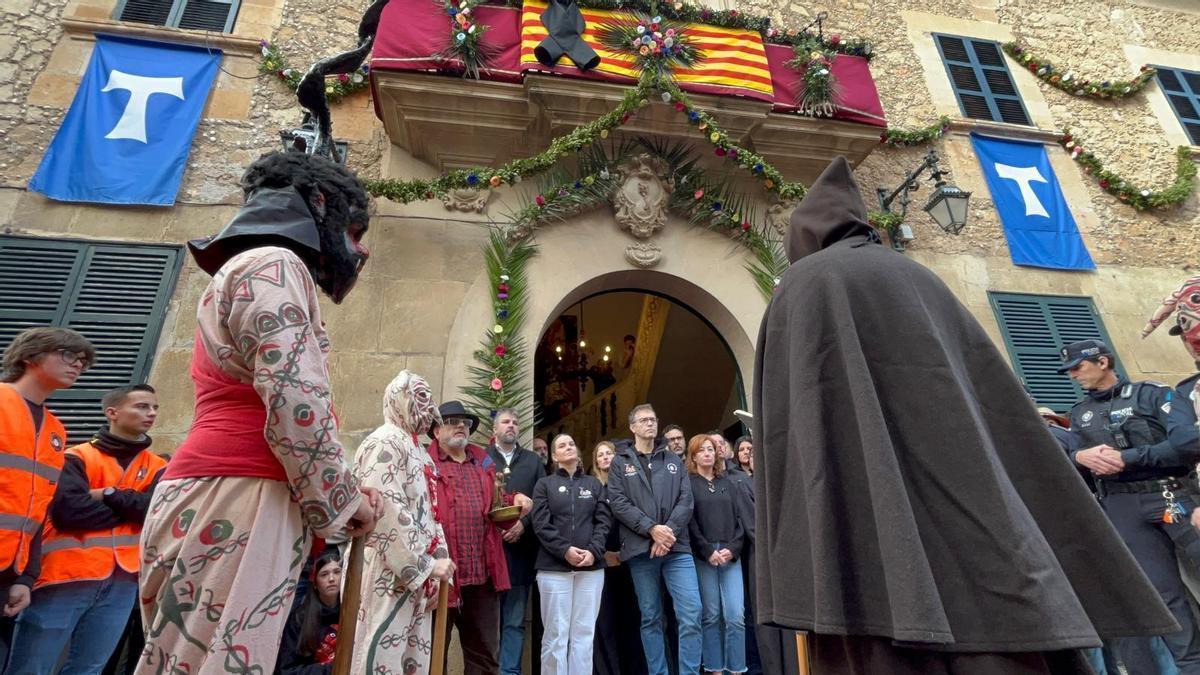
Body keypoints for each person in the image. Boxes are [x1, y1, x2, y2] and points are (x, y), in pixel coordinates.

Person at [752, 156, 1177, 673]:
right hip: (972, 510)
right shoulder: (918, 276)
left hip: (866, 523)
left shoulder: (802, 285)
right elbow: (992, 398)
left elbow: (790, 426)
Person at [134, 152, 383, 674]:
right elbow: (295, 395)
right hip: (237, 493)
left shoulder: (255, 264)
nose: (358, 250)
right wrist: (343, 499)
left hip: (231, 489)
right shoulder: (274, 263)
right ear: (320, 206)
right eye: (355, 231)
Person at [1060, 338, 1200, 673]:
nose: (1073, 376)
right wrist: (1080, 455)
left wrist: (1129, 458)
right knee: (1163, 595)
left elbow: (1188, 444)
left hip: (1173, 494)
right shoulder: (1079, 414)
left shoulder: (1153, 394)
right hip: (1123, 506)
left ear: (1103, 362)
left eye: (1078, 367)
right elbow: (1068, 457)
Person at [7, 384, 165, 674]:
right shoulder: (74, 457)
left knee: (89, 668)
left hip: (123, 582)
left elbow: (155, 512)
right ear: (112, 412)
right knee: (31, 667)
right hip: (65, 576)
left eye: (154, 407)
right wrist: (132, 506)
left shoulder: (158, 466)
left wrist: (108, 494)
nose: (151, 413)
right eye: (142, 406)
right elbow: (71, 513)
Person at [0, 327, 95, 663]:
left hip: (8, 572)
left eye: (83, 361)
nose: (78, 365)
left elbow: (38, 509)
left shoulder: (56, 429)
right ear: (30, 356)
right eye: (69, 355)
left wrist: (25, 577)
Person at [352, 370, 455, 674]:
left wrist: (437, 567)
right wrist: (422, 566)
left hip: (415, 577)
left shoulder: (420, 453)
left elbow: (432, 514)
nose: (431, 409)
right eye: (421, 398)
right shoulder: (384, 442)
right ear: (399, 399)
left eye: (431, 399)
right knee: (379, 656)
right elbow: (385, 510)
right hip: (386, 572)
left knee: (413, 661)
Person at [426, 400, 531, 675]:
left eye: (465, 422)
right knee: (432, 659)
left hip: (482, 578)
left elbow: (498, 509)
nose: (461, 426)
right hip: (442, 578)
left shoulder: (482, 463)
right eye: (452, 421)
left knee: (485, 658)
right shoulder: (425, 464)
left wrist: (515, 502)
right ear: (436, 431)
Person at [606, 403, 702, 675]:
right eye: (644, 420)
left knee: (691, 614)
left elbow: (686, 500)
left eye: (653, 419)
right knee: (651, 618)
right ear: (633, 426)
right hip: (640, 550)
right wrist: (651, 529)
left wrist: (666, 532)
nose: (650, 424)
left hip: (677, 548)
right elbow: (619, 504)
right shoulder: (619, 462)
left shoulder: (674, 460)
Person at [532, 434, 611, 674]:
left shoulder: (593, 484)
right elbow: (541, 524)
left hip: (591, 569)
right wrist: (564, 550)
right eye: (561, 445)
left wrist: (594, 551)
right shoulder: (544, 485)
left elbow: (603, 522)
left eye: (571, 443)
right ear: (554, 456)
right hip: (553, 569)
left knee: (584, 633)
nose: (568, 447)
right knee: (556, 635)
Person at [488, 408, 546, 675]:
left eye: (515, 422)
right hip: (489, 554)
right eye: (505, 422)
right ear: (494, 430)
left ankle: (509, 672)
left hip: (521, 555)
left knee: (514, 621)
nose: (511, 426)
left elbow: (543, 503)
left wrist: (523, 525)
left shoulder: (533, 461)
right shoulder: (482, 460)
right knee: (487, 623)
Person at [685, 435, 746, 675]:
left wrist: (732, 549)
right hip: (705, 556)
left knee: (735, 615)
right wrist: (707, 550)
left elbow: (743, 520)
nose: (708, 454)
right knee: (711, 615)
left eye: (711, 449)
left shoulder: (729, 483)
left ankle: (736, 668)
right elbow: (689, 522)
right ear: (694, 457)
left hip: (730, 554)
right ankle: (714, 668)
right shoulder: (688, 484)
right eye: (702, 451)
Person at [591, 441, 647, 675]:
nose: (605, 457)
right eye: (600, 455)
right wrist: (603, 555)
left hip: (630, 560)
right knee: (605, 624)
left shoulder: (630, 487)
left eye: (609, 453)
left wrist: (624, 555)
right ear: (595, 462)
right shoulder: (592, 489)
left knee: (632, 620)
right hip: (602, 563)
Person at [276, 549, 342, 674]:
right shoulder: (299, 618)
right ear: (315, 584)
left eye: (337, 572)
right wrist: (330, 669)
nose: (332, 579)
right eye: (324, 574)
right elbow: (286, 670)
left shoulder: (356, 614)